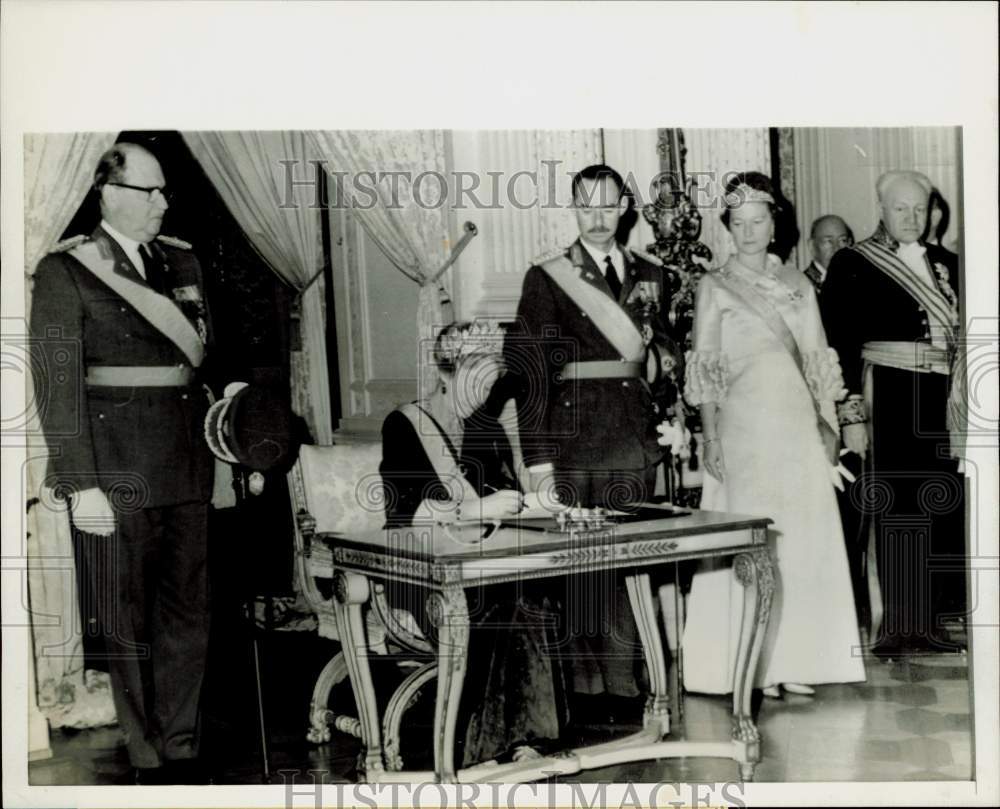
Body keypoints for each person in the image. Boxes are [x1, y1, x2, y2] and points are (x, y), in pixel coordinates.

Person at [30, 143, 217, 783]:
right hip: (116, 473)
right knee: (126, 618)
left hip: (187, 464)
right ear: (109, 193)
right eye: (149, 192)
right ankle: (145, 753)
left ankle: (183, 745)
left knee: (188, 611)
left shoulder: (182, 260)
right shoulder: (68, 270)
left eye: (163, 192)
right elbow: (57, 385)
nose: (162, 204)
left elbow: (203, 364)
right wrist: (81, 485)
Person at [504, 163, 683, 710]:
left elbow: (670, 350)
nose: (598, 217)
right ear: (574, 210)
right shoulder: (547, 276)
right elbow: (529, 369)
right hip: (572, 435)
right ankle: (580, 694)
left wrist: (664, 392)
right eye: (587, 206)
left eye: (608, 205)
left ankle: (626, 683)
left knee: (629, 557)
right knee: (576, 566)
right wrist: (537, 459)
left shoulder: (653, 274)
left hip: (630, 434)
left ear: (625, 206)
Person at [681, 171, 866, 697]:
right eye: (737, 223)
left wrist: (828, 425)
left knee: (799, 540)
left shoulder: (798, 284)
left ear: (773, 225)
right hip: (742, 431)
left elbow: (815, 358)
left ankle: (796, 659)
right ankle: (752, 666)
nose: (748, 232)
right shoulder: (713, 286)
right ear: (728, 228)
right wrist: (711, 437)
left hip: (795, 427)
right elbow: (707, 369)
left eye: (757, 221)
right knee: (751, 543)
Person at [379, 321, 568, 766]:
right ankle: (476, 751)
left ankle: (525, 742)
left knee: (528, 593)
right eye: (476, 383)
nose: (485, 396)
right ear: (445, 376)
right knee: (494, 603)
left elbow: (508, 499)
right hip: (422, 572)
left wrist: (542, 501)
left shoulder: (486, 430)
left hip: (481, 564)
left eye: (490, 384)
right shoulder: (404, 425)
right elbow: (404, 512)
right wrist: (478, 510)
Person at [821, 170, 964, 658]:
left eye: (919, 209)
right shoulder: (854, 263)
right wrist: (850, 415)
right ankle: (896, 626)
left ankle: (928, 622)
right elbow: (837, 343)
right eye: (900, 208)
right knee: (897, 504)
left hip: (942, 394)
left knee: (938, 502)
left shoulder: (949, 263)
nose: (910, 218)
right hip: (888, 390)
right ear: (881, 209)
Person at [803, 214, 854, 292]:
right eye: (829, 241)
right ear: (812, 246)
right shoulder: (801, 284)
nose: (836, 248)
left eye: (842, 240)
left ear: (850, 244)